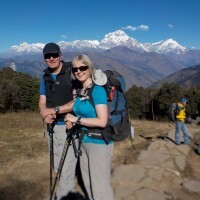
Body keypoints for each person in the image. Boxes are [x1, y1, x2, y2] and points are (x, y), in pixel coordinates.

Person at [65, 54, 114, 200]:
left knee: (100, 188)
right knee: (88, 184)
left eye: (82, 67)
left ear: (90, 68)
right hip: (84, 141)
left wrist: (77, 119)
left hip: (98, 144)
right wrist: (72, 121)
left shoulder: (97, 90)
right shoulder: (81, 91)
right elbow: (82, 114)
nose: (78, 71)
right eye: (75, 69)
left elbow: (102, 121)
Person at [39, 42, 78, 200]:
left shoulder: (71, 72)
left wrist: (54, 111)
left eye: (54, 55)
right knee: (57, 167)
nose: (51, 58)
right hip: (51, 129)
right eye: (48, 56)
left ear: (60, 55)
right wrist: (44, 113)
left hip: (68, 128)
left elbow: (77, 102)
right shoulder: (45, 76)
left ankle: (63, 197)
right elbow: (42, 100)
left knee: (65, 172)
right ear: (44, 58)